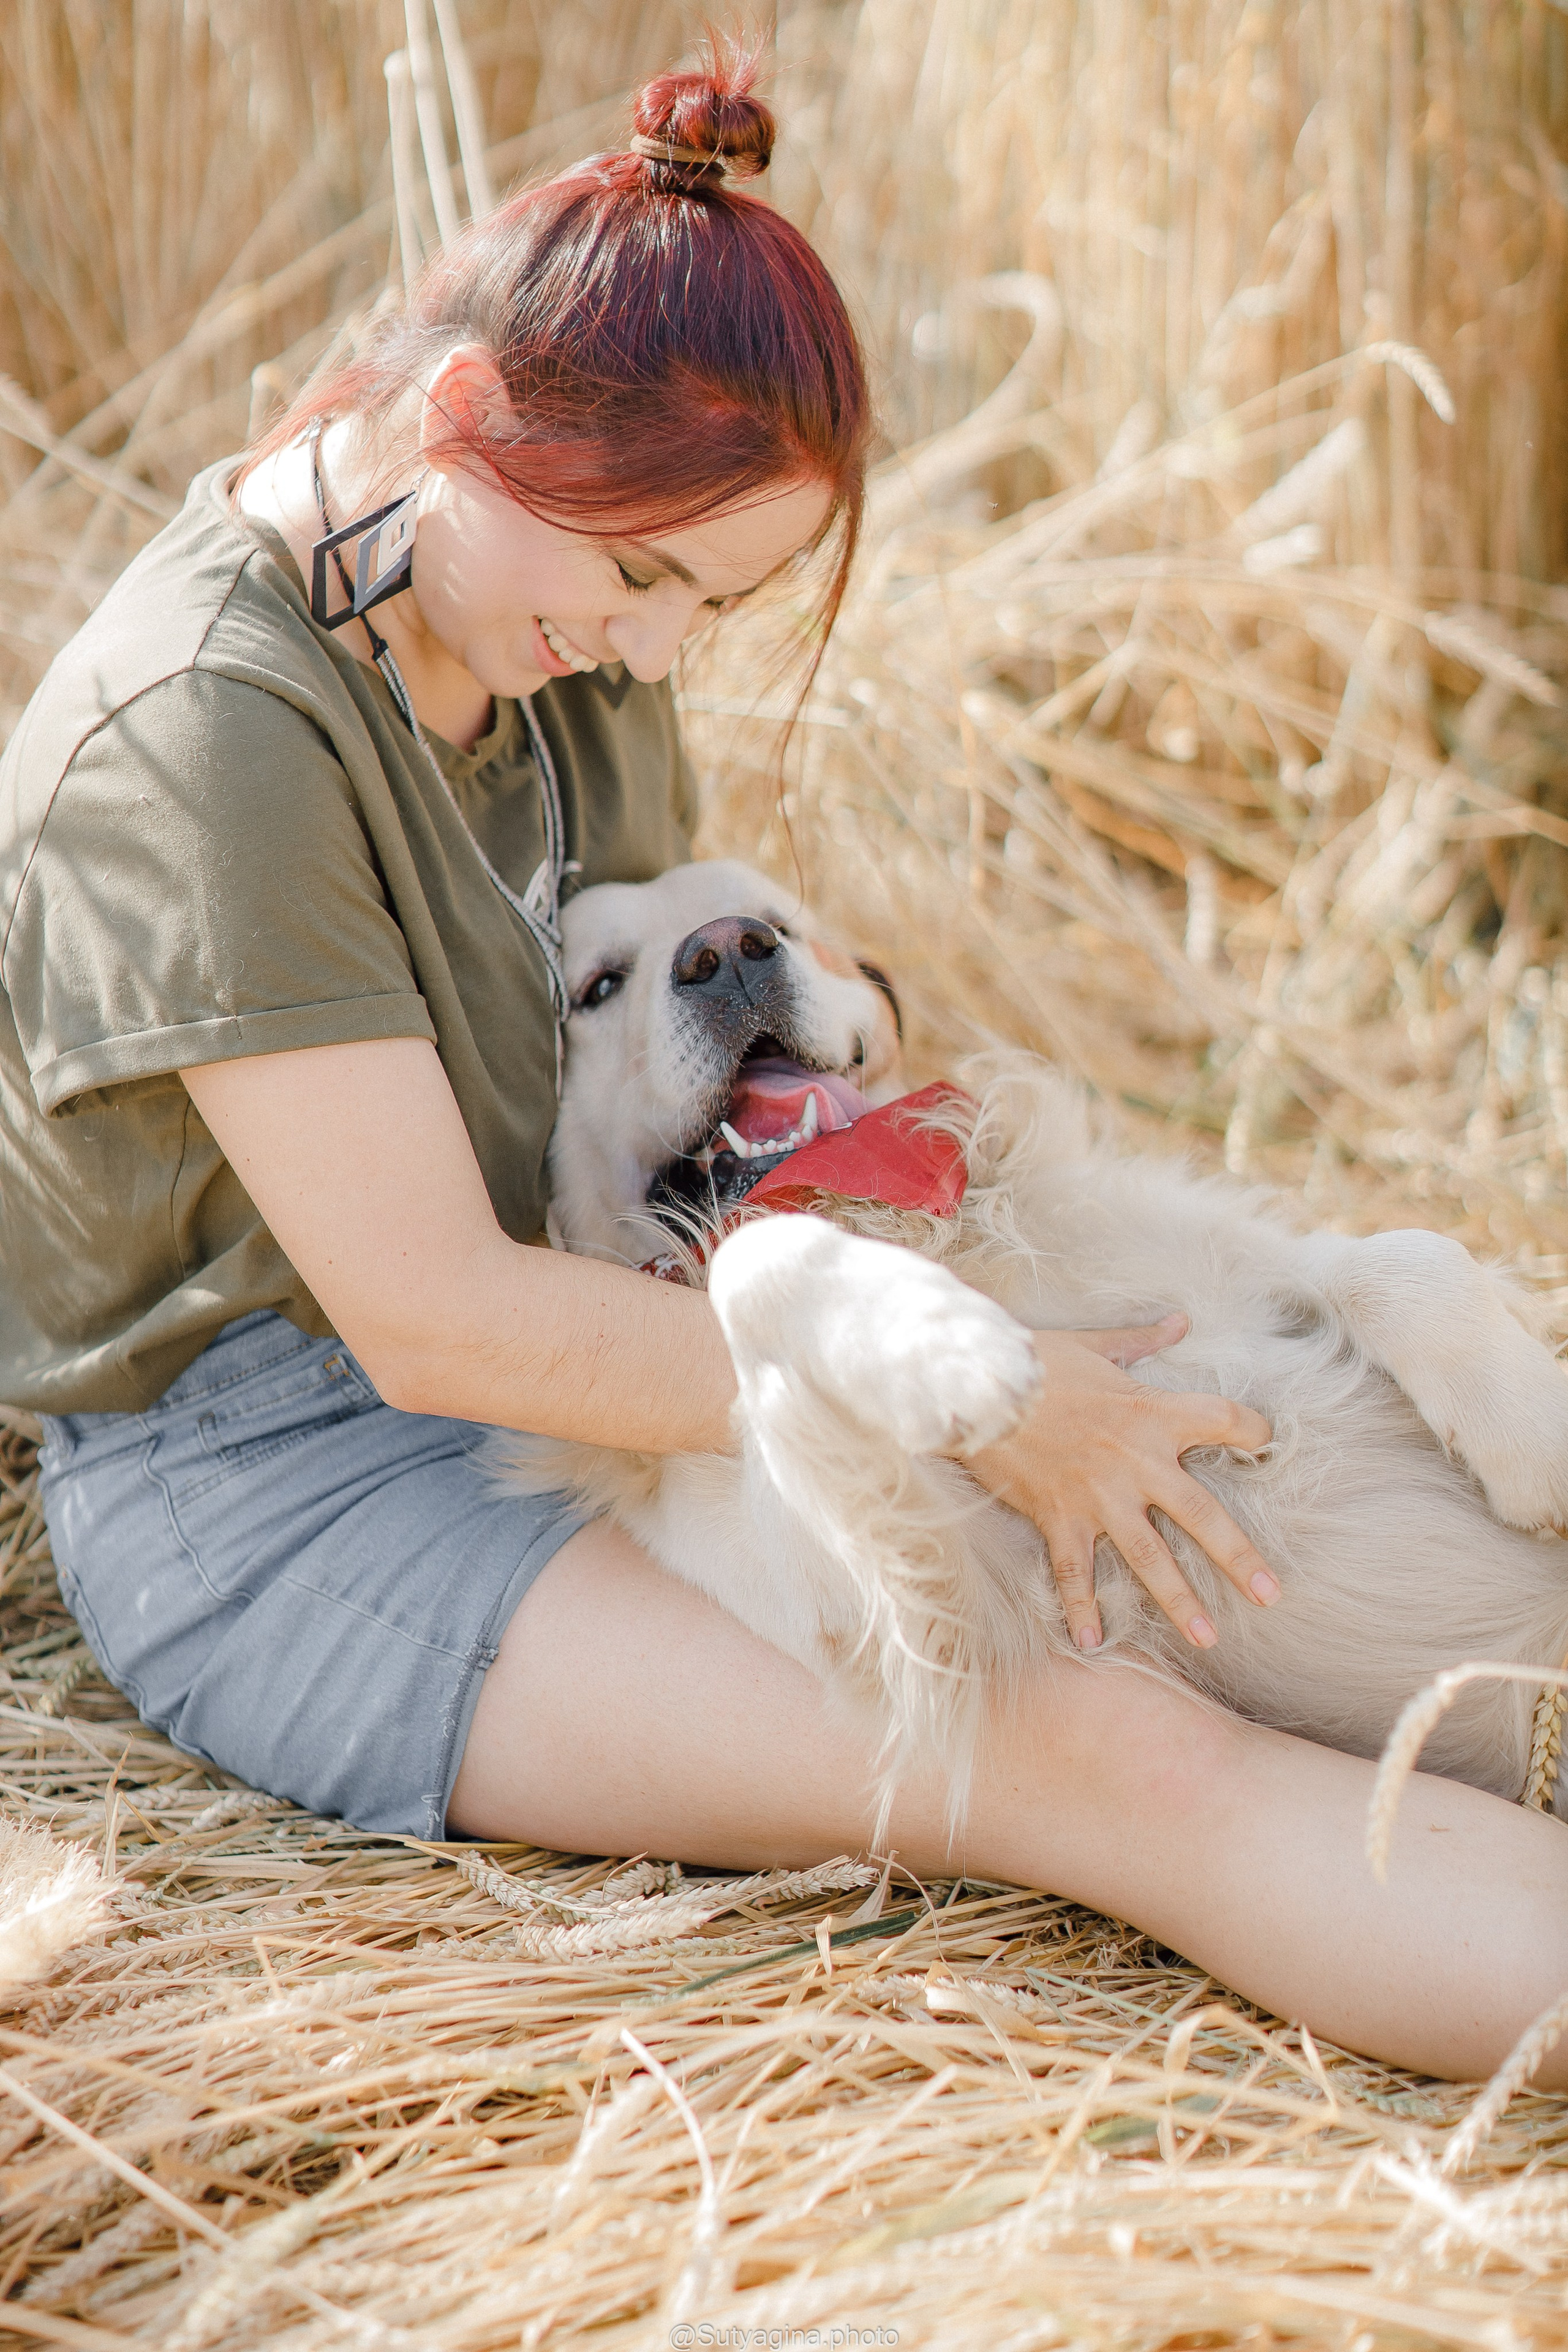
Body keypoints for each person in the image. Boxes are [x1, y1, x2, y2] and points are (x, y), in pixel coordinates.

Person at [2, 51, 1562, 2087]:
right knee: (1106, 1757)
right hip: (313, 1471)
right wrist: (996, 1407)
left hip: (627, 1320)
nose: (656, 653)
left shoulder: (532, 628)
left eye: (711, 607)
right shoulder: (202, 746)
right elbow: (434, 1318)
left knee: (1199, 1586)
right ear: (467, 423)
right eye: (647, 577)